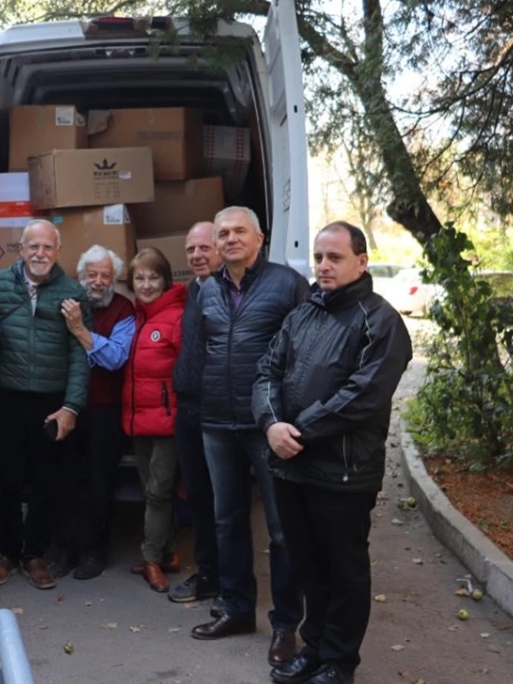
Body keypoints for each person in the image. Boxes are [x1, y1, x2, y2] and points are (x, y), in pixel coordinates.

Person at [254, 221, 412, 684]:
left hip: (343, 472)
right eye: (319, 257)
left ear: (361, 262)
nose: (323, 265)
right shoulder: (302, 314)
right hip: (291, 467)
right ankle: (316, 647)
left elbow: (361, 397)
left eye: (335, 257)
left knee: (344, 571)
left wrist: (296, 431)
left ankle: (340, 663)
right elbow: (266, 372)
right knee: (307, 565)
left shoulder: (381, 322)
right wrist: (270, 424)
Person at [193, 206, 309, 670]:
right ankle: (238, 610)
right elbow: (201, 349)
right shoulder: (206, 289)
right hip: (217, 421)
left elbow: (305, 352)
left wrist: (290, 415)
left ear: (260, 238)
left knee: (282, 530)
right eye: (222, 233)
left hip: (268, 424)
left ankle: (285, 626)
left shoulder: (286, 284)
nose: (230, 239)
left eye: (239, 231)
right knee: (227, 522)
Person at [0, 219, 92, 591]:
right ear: (21, 249)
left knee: (46, 480)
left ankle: (34, 555)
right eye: (34, 247)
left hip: (51, 399)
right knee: (8, 479)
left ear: (58, 251)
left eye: (48, 247)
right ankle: (7, 552)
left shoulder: (73, 292)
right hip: (6, 397)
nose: (40, 254)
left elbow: (81, 355)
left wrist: (72, 407)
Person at [53, 244, 135, 580]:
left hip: (104, 409)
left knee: (101, 483)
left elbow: (116, 357)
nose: (98, 281)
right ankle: (65, 550)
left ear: (115, 279)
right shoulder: (66, 303)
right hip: (65, 408)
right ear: (80, 275)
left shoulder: (123, 308)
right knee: (65, 481)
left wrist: (81, 333)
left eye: (106, 275)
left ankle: (95, 551)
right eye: (92, 274)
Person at [121, 248, 187, 592]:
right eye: (140, 278)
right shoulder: (137, 316)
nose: (146, 285)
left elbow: (188, 370)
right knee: (152, 492)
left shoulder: (175, 317)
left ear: (166, 280)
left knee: (159, 493)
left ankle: (150, 559)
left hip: (166, 422)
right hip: (138, 420)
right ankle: (168, 552)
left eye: (153, 277)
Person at [169, 221, 224, 606]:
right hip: (187, 409)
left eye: (204, 248)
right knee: (200, 498)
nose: (197, 256)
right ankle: (208, 574)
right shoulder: (194, 289)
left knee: (225, 502)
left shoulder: (230, 291)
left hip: (217, 411)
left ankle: (227, 582)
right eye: (190, 249)